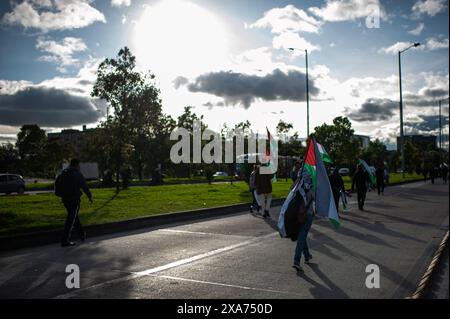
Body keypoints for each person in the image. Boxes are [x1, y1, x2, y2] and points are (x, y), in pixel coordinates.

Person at [59, 159, 93, 247]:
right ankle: (65, 240)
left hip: (65, 199)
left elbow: (58, 184)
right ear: (77, 165)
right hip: (74, 198)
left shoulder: (64, 172)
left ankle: (81, 235)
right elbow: (84, 186)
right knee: (71, 218)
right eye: (79, 165)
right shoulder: (77, 173)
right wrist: (89, 196)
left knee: (74, 216)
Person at [292, 171, 314, 272]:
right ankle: (296, 261)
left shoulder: (296, 187)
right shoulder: (311, 187)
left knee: (302, 235)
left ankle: (307, 255)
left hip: (297, 215)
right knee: (302, 237)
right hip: (307, 215)